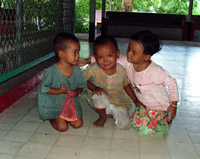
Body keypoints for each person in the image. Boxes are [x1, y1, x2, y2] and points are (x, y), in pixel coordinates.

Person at [78, 31, 179, 135]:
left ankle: (165, 118)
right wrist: (87, 61)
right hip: (144, 106)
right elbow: (105, 55)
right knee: (135, 123)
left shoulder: (155, 71)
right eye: (129, 49)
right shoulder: (129, 62)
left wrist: (174, 105)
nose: (129, 53)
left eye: (134, 52)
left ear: (147, 57)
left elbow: (172, 83)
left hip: (159, 106)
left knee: (143, 128)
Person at [83, 35, 144, 129]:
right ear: (95, 57)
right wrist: (94, 88)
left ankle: (111, 112)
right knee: (99, 96)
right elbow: (82, 78)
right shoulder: (93, 69)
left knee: (125, 125)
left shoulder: (121, 71)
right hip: (100, 100)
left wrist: (135, 100)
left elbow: (126, 85)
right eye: (100, 57)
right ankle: (102, 116)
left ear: (117, 54)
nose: (105, 60)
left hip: (118, 101)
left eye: (110, 55)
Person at [38, 32, 87, 132]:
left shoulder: (76, 70)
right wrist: (60, 91)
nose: (78, 55)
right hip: (55, 106)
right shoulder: (51, 71)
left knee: (78, 124)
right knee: (62, 127)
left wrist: (76, 92)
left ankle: (66, 116)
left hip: (71, 105)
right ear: (61, 53)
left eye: (78, 52)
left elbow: (81, 85)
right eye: (74, 52)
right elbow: (44, 88)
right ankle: (52, 118)